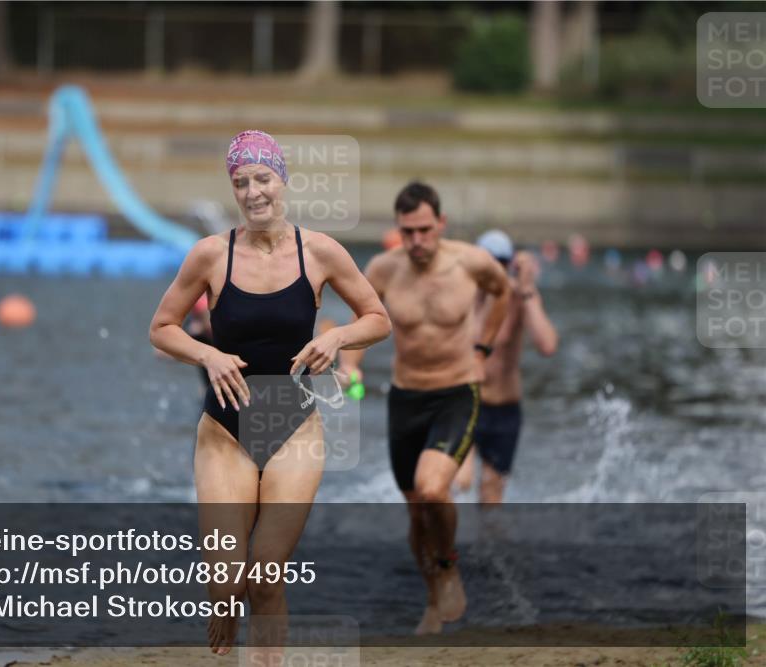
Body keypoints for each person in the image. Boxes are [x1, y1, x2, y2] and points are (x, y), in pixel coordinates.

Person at [149, 130, 390, 656]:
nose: (253, 192)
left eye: (263, 179)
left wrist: (337, 336)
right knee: (225, 583)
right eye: (241, 182)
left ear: (283, 180)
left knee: (264, 574)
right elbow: (161, 327)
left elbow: (377, 319)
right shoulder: (210, 256)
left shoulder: (321, 252)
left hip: (294, 430)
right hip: (224, 432)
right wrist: (206, 353)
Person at [339, 181, 511, 635]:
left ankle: (449, 566)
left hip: (457, 392)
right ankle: (434, 597)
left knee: (433, 489)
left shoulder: (470, 262)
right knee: (416, 509)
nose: (416, 241)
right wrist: (351, 366)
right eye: (407, 231)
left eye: (424, 230)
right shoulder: (383, 269)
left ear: (441, 224)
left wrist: (483, 347)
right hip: (405, 398)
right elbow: (357, 322)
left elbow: (503, 291)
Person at [453, 231, 559, 503]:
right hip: (464, 403)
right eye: (487, 262)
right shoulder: (461, 295)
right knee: (459, 482)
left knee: (491, 498)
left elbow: (547, 345)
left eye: (500, 262)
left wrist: (527, 289)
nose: (493, 269)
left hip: (504, 410)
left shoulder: (520, 298)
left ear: (509, 264)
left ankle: (486, 545)